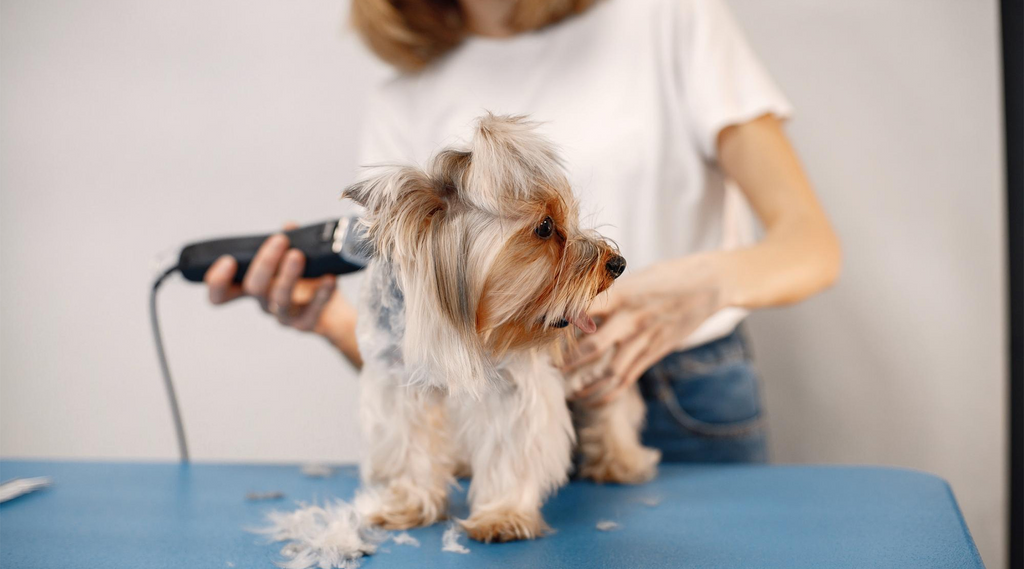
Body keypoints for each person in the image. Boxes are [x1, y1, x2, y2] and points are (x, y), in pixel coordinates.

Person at [204, 0, 840, 463]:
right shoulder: (403, 94)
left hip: (680, 389)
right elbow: (419, 350)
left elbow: (811, 246)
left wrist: (702, 283)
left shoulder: (670, 18)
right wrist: (333, 320)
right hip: (492, 404)